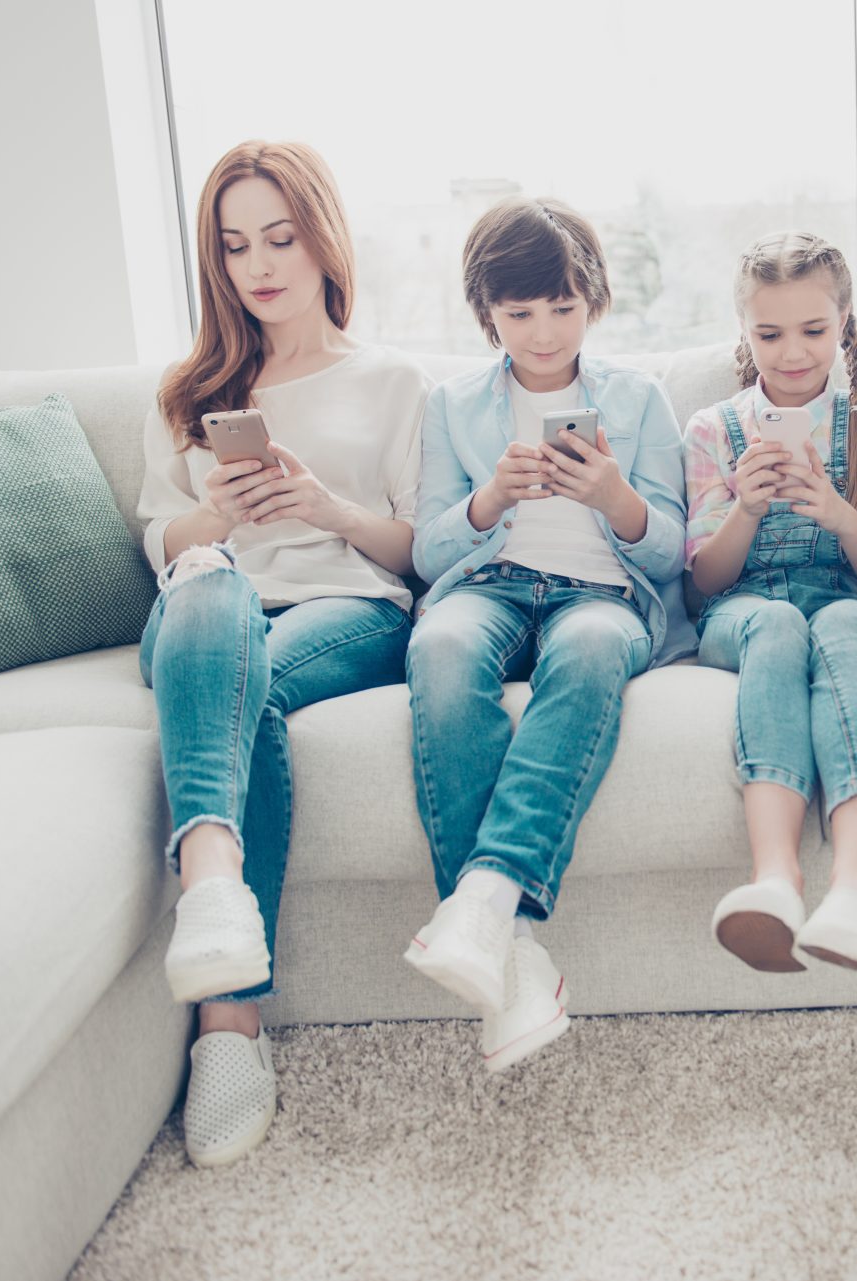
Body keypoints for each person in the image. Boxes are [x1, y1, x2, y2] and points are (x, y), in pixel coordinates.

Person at [137, 140, 429, 1166]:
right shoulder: (188, 390)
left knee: (239, 691)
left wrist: (324, 507)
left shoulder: (394, 380)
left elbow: (420, 549)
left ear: (321, 238)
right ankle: (220, 925)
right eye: (232, 245)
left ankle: (226, 1014)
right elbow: (157, 543)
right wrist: (210, 515)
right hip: (213, 608)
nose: (258, 265)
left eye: (278, 236)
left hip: (349, 605)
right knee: (211, 597)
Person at [402, 196, 690, 1072]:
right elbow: (425, 551)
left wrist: (613, 497)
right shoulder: (452, 404)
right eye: (520, 312)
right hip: (488, 584)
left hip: (600, 592)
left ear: (593, 301)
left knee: (593, 649)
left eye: (563, 307)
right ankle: (515, 950)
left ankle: (486, 895)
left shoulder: (639, 398)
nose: (542, 331)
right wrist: (490, 499)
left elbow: (677, 553)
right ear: (486, 311)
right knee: (441, 649)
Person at [686, 232, 857, 975]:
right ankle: (776, 877)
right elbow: (704, 584)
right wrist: (746, 509)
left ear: (844, 324)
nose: (791, 353)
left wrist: (841, 514)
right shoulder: (712, 431)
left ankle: (856, 884)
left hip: (846, 596)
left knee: (849, 621)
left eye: (814, 331)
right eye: (769, 333)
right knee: (779, 623)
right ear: (744, 333)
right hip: (746, 611)